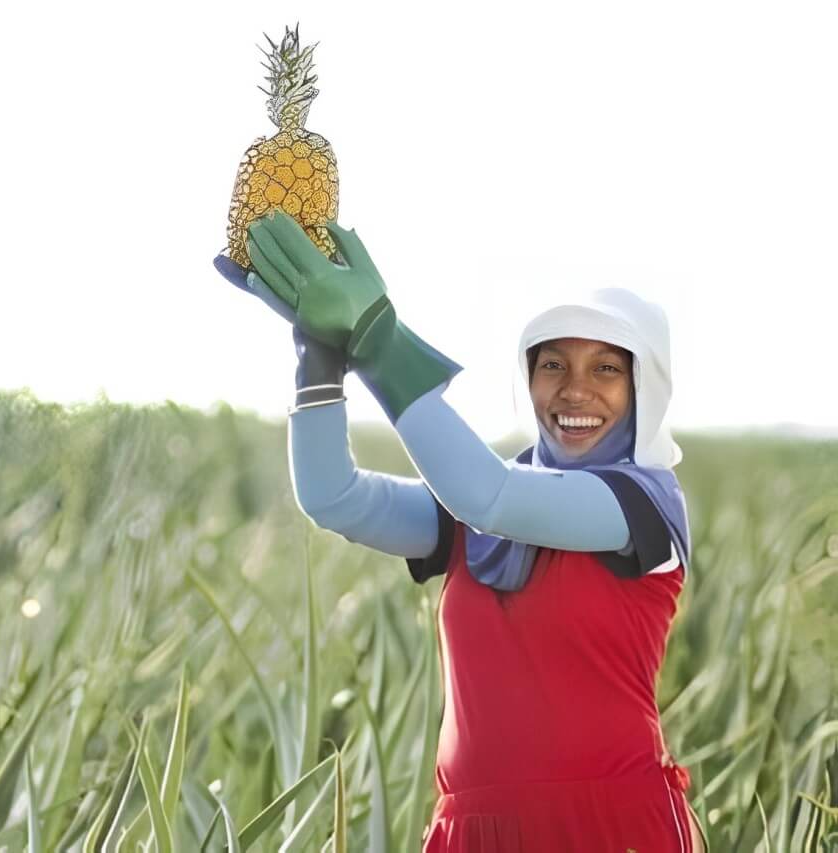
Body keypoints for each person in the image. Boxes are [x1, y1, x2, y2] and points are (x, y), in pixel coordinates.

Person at [213, 209, 710, 852]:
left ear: (647, 386)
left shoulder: (641, 503)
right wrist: (320, 356)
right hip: (473, 831)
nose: (574, 390)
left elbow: (489, 497)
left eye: (607, 369)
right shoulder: (483, 512)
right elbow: (336, 498)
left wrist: (379, 338)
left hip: (610, 824)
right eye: (552, 365)